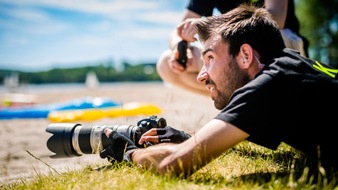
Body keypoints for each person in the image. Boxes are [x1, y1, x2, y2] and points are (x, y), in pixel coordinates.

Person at [99, 4, 338, 177]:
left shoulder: (269, 85)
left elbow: (172, 165)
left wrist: (128, 152)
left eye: (210, 58)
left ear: (245, 55)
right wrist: (188, 139)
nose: (202, 75)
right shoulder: (291, 65)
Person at [156, 0, 309, 96]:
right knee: (166, 64)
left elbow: (276, 19)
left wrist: (209, 23)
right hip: (233, 48)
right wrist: (179, 47)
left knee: (239, 43)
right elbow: (179, 30)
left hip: (280, 43)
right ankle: (236, 104)